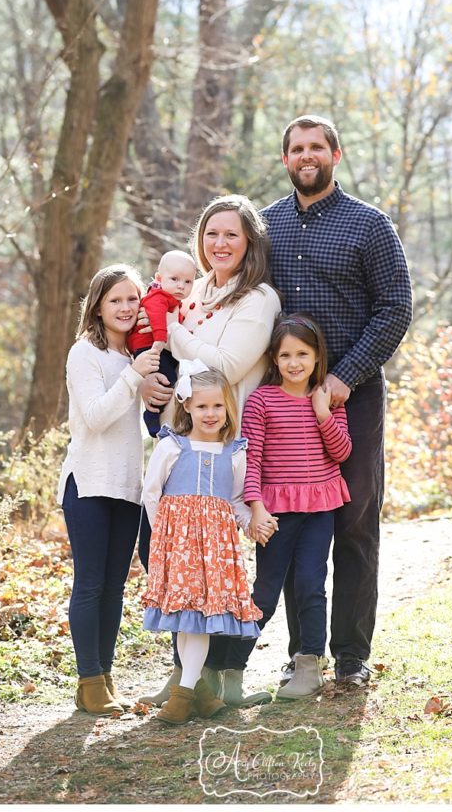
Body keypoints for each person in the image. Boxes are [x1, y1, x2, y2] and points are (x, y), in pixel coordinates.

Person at [263, 114, 412, 686]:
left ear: (335, 154)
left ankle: (350, 657)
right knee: (294, 523)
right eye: (296, 148)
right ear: (285, 160)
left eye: (316, 147)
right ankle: (304, 654)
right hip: (285, 401)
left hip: (354, 394)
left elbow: (395, 308)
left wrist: (344, 377)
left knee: (352, 521)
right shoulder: (266, 225)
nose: (306, 155)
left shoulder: (369, 225)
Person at [137, 194, 281, 706]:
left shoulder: (257, 299)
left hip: (227, 443)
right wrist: (153, 384)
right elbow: (169, 361)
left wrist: (173, 334)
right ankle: (187, 672)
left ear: (249, 243)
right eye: (211, 233)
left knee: (219, 563)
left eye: (232, 235)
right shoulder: (192, 289)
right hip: (180, 436)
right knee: (165, 551)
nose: (220, 243)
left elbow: (226, 362)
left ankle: (214, 677)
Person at [57, 264, 163, 715]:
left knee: (116, 587)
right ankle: (89, 680)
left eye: (132, 299)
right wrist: (134, 377)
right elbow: (97, 416)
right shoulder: (86, 354)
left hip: (127, 487)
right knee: (90, 584)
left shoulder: (136, 357)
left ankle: (104, 677)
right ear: (98, 306)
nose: (125, 307)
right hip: (87, 483)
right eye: (115, 299)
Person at [233, 313, 352, 700]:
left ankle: (310, 666)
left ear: (318, 356)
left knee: (310, 586)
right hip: (275, 510)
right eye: (286, 355)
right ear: (274, 359)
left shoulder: (328, 400)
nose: (295, 363)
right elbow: (252, 460)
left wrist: (322, 413)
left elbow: (341, 451)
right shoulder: (261, 401)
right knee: (265, 591)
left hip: (320, 507)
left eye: (303, 353)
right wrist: (255, 507)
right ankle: (228, 671)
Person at [141, 365, 263, 724]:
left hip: (216, 550)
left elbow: (237, 500)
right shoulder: (171, 446)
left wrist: (252, 521)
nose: (210, 415)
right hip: (177, 545)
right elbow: (151, 494)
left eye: (217, 407)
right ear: (187, 408)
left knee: (198, 620)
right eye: (202, 407)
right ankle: (198, 696)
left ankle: (187, 696)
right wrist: (163, 537)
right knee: (187, 621)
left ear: (228, 409)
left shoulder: (234, 452)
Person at [126, 250, 197, 437]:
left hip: (158, 346)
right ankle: (152, 414)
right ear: (159, 277)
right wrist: (159, 340)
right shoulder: (157, 297)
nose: (181, 286)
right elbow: (158, 320)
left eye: (188, 282)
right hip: (149, 346)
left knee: (173, 374)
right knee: (166, 380)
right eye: (174, 279)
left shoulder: (171, 298)